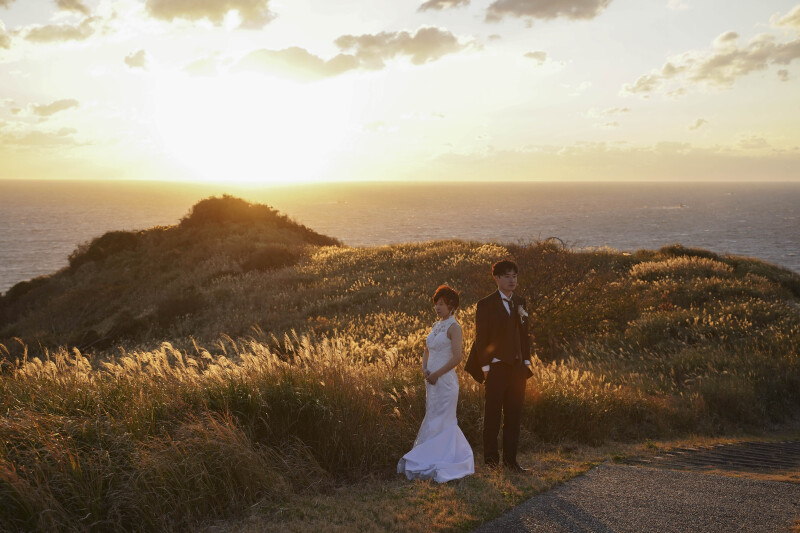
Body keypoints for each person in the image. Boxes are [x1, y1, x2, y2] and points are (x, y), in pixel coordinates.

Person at [397, 285, 475, 483]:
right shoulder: (435, 326)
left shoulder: (454, 327)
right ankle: (431, 454)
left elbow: (458, 357)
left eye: (442, 304)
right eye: (436, 304)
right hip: (431, 382)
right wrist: (424, 369)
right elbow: (427, 350)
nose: (438, 308)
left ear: (451, 307)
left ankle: (446, 457)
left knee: (444, 420)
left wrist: (437, 374)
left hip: (445, 383)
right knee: (432, 418)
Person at [465, 260, 533, 472]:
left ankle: (512, 463)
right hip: (495, 368)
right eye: (507, 276)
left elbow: (524, 336)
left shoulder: (520, 302)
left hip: (517, 369)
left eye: (515, 276)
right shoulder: (485, 304)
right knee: (492, 417)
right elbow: (481, 337)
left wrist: (526, 361)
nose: (512, 280)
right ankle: (492, 464)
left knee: (514, 416)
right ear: (496, 278)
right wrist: (485, 367)